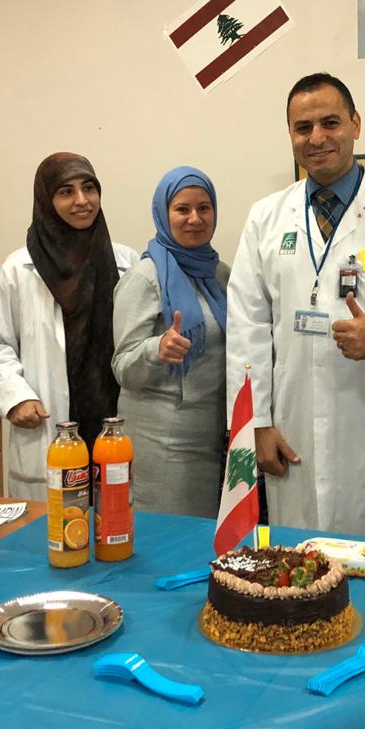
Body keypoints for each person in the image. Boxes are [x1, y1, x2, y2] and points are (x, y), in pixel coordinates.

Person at [225, 72, 365, 540]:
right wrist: (256, 424)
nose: (317, 138)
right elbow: (247, 325)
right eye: (303, 127)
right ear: (290, 134)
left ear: (355, 124)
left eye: (330, 123)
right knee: (300, 566)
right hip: (293, 433)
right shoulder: (266, 217)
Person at [0, 153, 138, 501]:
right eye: (66, 191)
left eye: (89, 188)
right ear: (46, 200)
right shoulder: (19, 269)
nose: (82, 201)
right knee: (55, 524)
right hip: (50, 421)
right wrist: (17, 397)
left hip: (112, 417)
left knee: (115, 518)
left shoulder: (128, 263)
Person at [112, 166, 229, 516]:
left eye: (204, 208)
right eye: (182, 209)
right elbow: (122, 366)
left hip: (212, 436)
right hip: (161, 442)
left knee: (206, 537)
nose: (195, 218)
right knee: (168, 538)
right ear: (163, 214)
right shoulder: (145, 277)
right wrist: (157, 349)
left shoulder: (220, 275)